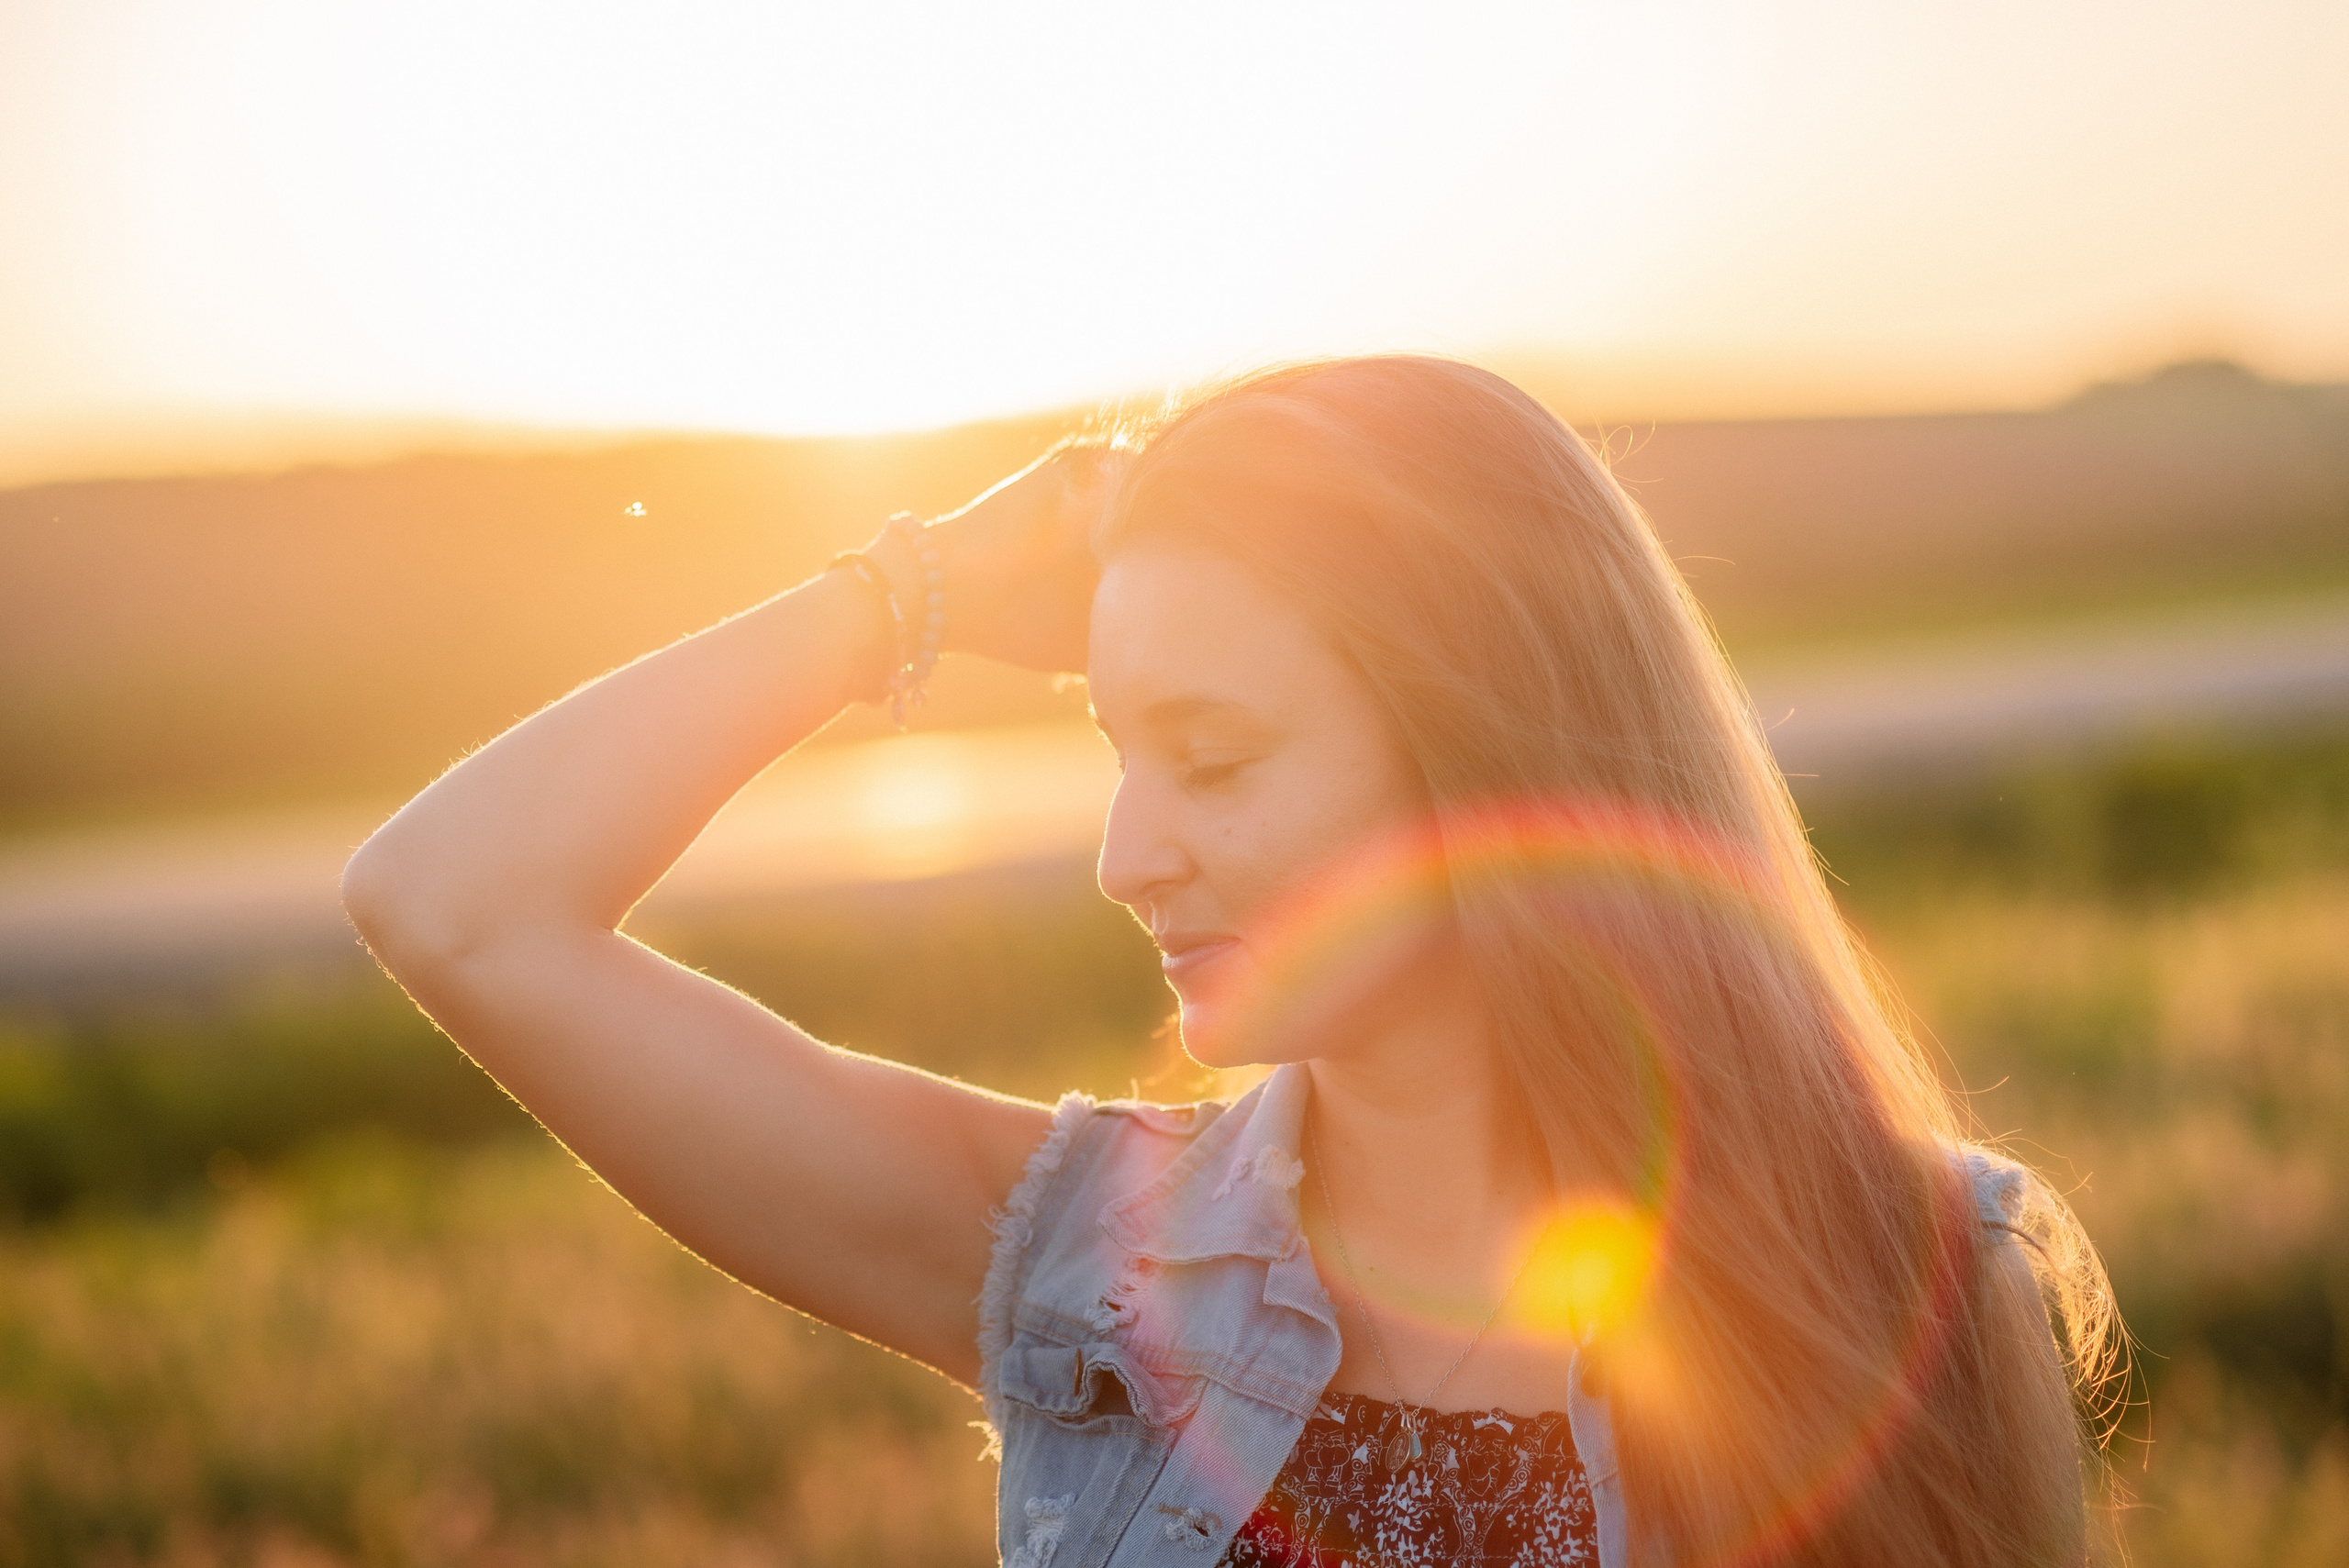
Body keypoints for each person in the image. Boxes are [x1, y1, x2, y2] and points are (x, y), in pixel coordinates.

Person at [342, 356, 2118, 1567]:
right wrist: (911, 593)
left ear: (1485, 742)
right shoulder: (1078, 1261)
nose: (1129, 854)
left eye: (1212, 752)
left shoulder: (1918, 1287)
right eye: (1117, 750)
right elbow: (452, 902)